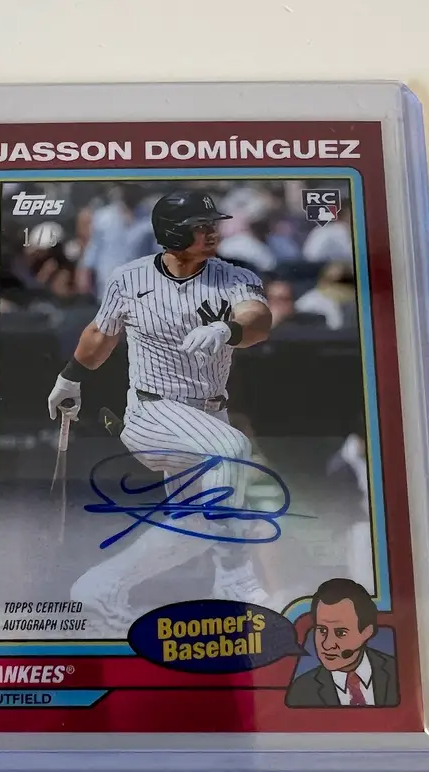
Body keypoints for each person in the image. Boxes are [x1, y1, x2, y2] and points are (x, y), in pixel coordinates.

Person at [46, 191, 274, 632]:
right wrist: (70, 378)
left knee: (191, 528)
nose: (212, 231)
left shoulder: (234, 276)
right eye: (200, 225)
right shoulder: (129, 277)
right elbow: (101, 334)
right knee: (231, 450)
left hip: (209, 414)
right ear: (171, 232)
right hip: (152, 411)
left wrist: (227, 329)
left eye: (212, 223)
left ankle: (100, 586)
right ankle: (234, 579)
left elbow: (258, 320)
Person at [285, 578, 398, 708]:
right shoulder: (301, 691)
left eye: (340, 633)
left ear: (366, 632)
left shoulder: (398, 672)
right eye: (322, 630)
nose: (327, 645)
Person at [75, 184, 159, 300]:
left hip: (139, 285)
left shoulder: (149, 219)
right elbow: (93, 249)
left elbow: (156, 252)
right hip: (108, 283)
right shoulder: (103, 217)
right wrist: (84, 274)